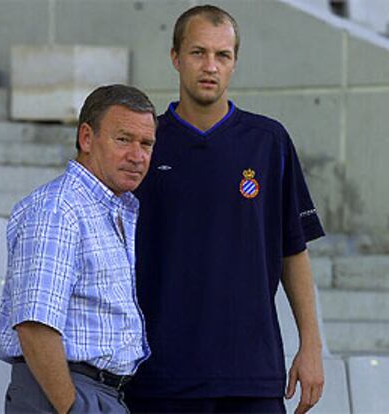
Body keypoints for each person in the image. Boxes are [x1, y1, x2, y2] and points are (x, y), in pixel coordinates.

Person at [125, 5, 325, 414]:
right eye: (198, 53)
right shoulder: (145, 146)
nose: (210, 66)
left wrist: (311, 346)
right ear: (175, 58)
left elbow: (293, 250)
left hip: (251, 375)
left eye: (223, 55)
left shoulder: (269, 142)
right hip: (161, 377)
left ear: (235, 63)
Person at [0, 84, 157, 414]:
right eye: (124, 139)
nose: (138, 155)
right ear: (86, 138)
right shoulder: (58, 210)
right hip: (62, 393)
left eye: (146, 144)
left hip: (97, 394)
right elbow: (35, 326)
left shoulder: (113, 209)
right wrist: (73, 407)